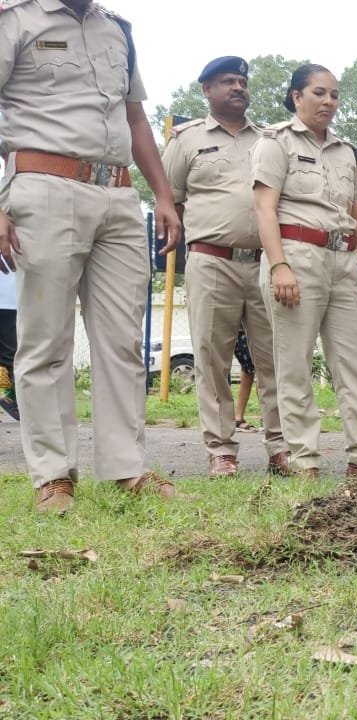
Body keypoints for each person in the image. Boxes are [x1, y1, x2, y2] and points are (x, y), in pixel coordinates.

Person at [0, 0, 181, 512]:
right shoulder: (15, 21)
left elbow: (135, 116)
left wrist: (162, 195)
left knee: (124, 338)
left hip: (119, 195)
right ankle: (54, 476)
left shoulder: (117, 30)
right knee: (45, 340)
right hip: (42, 184)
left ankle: (127, 468)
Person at [251, 63, 357, 482]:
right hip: (297, 255)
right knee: (295, 362)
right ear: (296, 96)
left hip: (345, 262)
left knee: (355, 363)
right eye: (319, 93)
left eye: (334, 95)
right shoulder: (275, 142)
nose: (328, 102)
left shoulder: (348, 152)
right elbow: (264, 207)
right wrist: (279, 264)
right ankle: (304, 460)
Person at [162, 56, 288, 479]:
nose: (238, 87)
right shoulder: (186, 139)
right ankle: (221, 449)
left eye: (242, 81)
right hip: (211, 260)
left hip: (266, 263)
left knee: (274, 358)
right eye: (227, 81)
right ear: (206, 90)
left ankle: (281, 446)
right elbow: (170, 200)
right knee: (212, 359)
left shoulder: (271, 138)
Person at [233, 327, 257, 432]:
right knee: (250, 369)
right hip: (239, 329)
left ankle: (269, 417)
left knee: (255, 370)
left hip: (257, 326)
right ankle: (237, 418)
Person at [0, 269, 16, 421]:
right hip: (9, 299)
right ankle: (12, 398)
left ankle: (12, 397)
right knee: (11, 355)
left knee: (11, 355)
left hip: (11, 298)